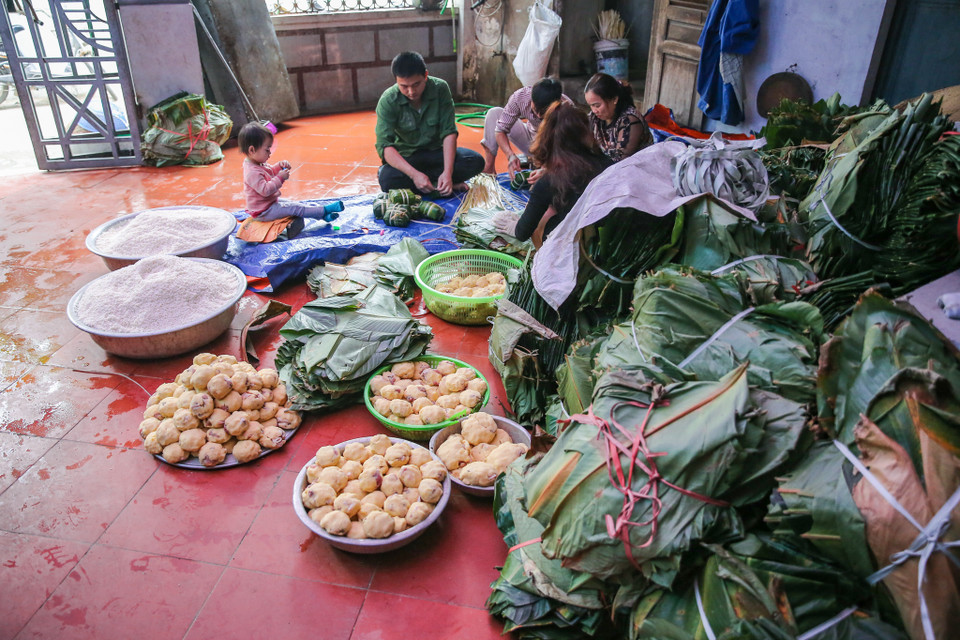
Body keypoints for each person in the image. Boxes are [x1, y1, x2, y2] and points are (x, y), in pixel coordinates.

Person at [495, 102, 611, 247]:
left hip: (579, 249)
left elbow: (522, 232)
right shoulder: (608, 163)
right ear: (587, 133)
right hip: (610, 237)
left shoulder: (549, 181)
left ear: (547, 137)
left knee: (544, 221)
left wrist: (514, 226)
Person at [375, 51, 484, 196]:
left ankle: (437, 183)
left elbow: (449, 132)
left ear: (425, 75)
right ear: (396, 81)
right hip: (409, 157)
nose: (411, 91)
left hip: (436, 153)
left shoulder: (440, 89)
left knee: (475, 161)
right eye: (404, 86)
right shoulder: (388, 100)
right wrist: (414, 175)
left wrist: (447, 172)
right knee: (387, 179)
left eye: (416, 84)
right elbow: (385, 146)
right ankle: (437, 186)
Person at [239, 122, 344, 222]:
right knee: (294, 208)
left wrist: (279, 166)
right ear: (252, 150)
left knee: (295, 205)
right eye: (267, 149)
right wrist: (280, 178)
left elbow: (269, 172)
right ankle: (324, 210)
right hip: (263, 212)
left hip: (269, 204)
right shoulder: (251, 172)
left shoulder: (257, 163)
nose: (270, 152)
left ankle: (323, 216)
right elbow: (265, 190)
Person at [479, 77, 569, 177]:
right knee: (494, 113)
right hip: (531, 139)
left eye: (544, 112)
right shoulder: (521, 97)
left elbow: (567, 151)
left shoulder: (567, 109)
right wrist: (510, 156)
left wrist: (546, 169)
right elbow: (500, 130)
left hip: (553, 148)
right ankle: (488, 170)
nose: (538, 116)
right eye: (535, 109)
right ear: (531, 99)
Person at [584, 73, 653, 162]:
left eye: (597, 105)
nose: (594, 110)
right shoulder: (595, 117)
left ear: (614, 99)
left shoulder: (629, 121)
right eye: (590, 106)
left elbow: (620, 162)